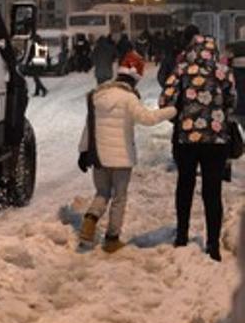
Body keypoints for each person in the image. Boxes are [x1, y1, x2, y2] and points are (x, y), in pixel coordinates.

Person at [78, 51, 176, 252]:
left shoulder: (98, 94)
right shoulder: (129, 98)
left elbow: (89, 126)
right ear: (135, 78)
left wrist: (83, 151)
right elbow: (148, 119)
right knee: (119, 198)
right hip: (122, 158)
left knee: (102, 193)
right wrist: (173, 110)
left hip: (100, 157)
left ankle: (89, 222)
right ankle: (112, 239)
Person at [159, 34, 237, 261]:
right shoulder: (224, 71)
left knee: (185, 184)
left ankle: (182, 235)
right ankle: (213, 245)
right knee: (213, 191)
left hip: (187, 140)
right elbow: (232, 101)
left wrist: (184, 118)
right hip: (217, 141)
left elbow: (165, 101)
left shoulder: (181, 70)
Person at [26, 31, 48, 97]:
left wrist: (27, 62)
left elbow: (30, 55)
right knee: (36, 77)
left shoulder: (34, 45)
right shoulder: (43, 44)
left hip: (35, 63)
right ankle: (37, 91)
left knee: (36, 78)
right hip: (41, 63)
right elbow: (46, 55)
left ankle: (43, 89)